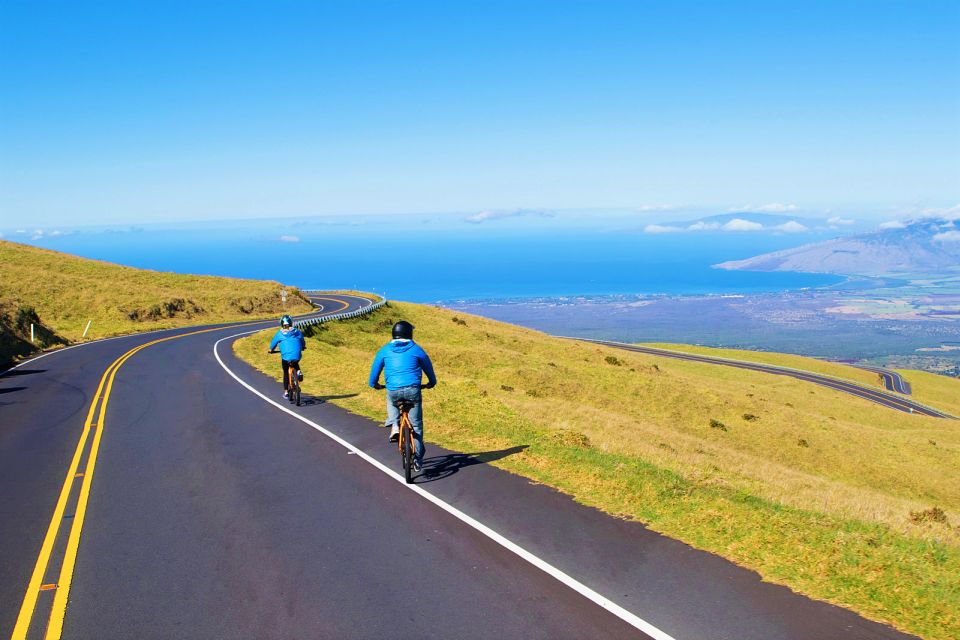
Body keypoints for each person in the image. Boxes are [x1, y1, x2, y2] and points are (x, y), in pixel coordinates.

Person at [368, 320, 437, 472]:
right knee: (417, 425)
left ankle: (394, 425)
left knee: (391, 400)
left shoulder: (385, 350)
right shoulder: (416, 349)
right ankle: (418, 459)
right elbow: (428, 367)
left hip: (393, 390)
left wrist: (375, 384)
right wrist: (431, 382)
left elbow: (374, 371)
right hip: (413, 390)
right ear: (409, 333)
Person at [268, 315, 306, 398]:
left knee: (286, 372)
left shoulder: (279, 334)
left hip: (286, 357)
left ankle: (286, 392)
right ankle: (298, 371)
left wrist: (271, 350)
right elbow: (302, 341)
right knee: (295, 362)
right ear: (291, 323)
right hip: (297, 355)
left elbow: (273, 344)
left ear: (282, 324)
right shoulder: (297, 331)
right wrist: (303, 347)